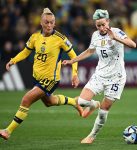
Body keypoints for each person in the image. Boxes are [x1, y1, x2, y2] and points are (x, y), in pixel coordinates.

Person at [0, 8, 83, 140]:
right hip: (37, 78)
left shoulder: (60, 38)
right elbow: (26, 52)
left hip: (51, 79)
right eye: (46, 22)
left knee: (26, 99)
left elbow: (74, 56)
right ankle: (74, 101)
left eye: (51, 22)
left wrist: (74, 74)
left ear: (55, 23)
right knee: (49, 102)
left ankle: (8, 131)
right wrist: (13, 60)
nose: (49, 25)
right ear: (41, 22)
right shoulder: (34, 37)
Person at [62, 9, 136, 144]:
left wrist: (115, 38)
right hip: (100, 75)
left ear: (108, 22)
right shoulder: (95, 35)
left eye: (103, 24)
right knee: (81, 102)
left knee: (103, 111)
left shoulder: (117, 32)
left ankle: (91, 136)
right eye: (98, 25)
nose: (101, 28)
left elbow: (133, 44)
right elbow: (90, 51)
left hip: (116, 79)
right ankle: (93, 104)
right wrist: (73, 60)